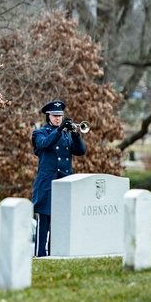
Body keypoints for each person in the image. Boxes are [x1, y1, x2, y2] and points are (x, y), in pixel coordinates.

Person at [30, 100, 86, 257]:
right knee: (44, 220)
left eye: (60, 116)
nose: (57, 119)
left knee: (60, 220)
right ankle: (40, 254)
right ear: (48, 116)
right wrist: (59, 130)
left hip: (64, 182)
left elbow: (80, 151)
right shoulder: (40, 133)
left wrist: (75, 134)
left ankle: (55, 253)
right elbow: (44, 145)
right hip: (47, 182)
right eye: (54, 116)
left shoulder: (66, 135)